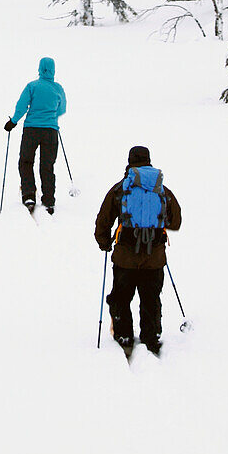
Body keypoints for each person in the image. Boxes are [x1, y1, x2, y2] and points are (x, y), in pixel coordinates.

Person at [94, 145, 181, 356]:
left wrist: (104, 242)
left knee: (122, 297)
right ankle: (151, 338)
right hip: (155, 258)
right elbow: (176, 221)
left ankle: (124, 336)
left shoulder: (121, 188)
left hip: (125, 257)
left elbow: (103, 221)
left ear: (130, 161)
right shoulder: (161, 189)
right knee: (151, 298)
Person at [4, 57, 66, 214]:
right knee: (47, 165)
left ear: (39, 68)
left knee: (26, 161)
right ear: (53, 69)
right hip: (51, 131)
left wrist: (13, 122)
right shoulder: (58, 88)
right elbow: (62, 109)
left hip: (32, 129)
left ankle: (29, 194)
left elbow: (22, 106)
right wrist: (51, 117)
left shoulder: (32, 86)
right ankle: (49, 200)